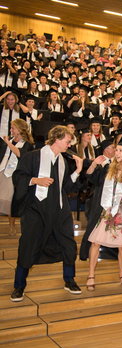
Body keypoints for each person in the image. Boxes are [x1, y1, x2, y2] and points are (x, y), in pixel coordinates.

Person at [10, 125, 83, 302]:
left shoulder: (63, 161)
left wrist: (78, 171)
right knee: (28, 246)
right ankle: (19, 286)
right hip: (36, 211)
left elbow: (65, 187)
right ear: (57, 139)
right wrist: (36, 180)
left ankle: (69, 280)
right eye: (67, 141)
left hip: (59, 211)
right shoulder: (33, 156)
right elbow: (18, 177)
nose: (69, 145)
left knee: (67, 245)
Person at [80, 139, 122, 290]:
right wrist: (93, 164)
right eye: (116, 150)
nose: (117, 153)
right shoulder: (106, 169)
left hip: (121, 213)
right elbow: (90, 177)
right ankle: (91, 275)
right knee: (95, 242)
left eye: (120, 150)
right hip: (104, 211)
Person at [0, 119, 34, 235]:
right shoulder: (9, 141)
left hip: (14, 174)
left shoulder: (27, 144)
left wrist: (9, 143)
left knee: (11, 201)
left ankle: (12, 225)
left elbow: (20, 154)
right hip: (2, 170)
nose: (11, 130)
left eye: (13, 128)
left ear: (19, 130)